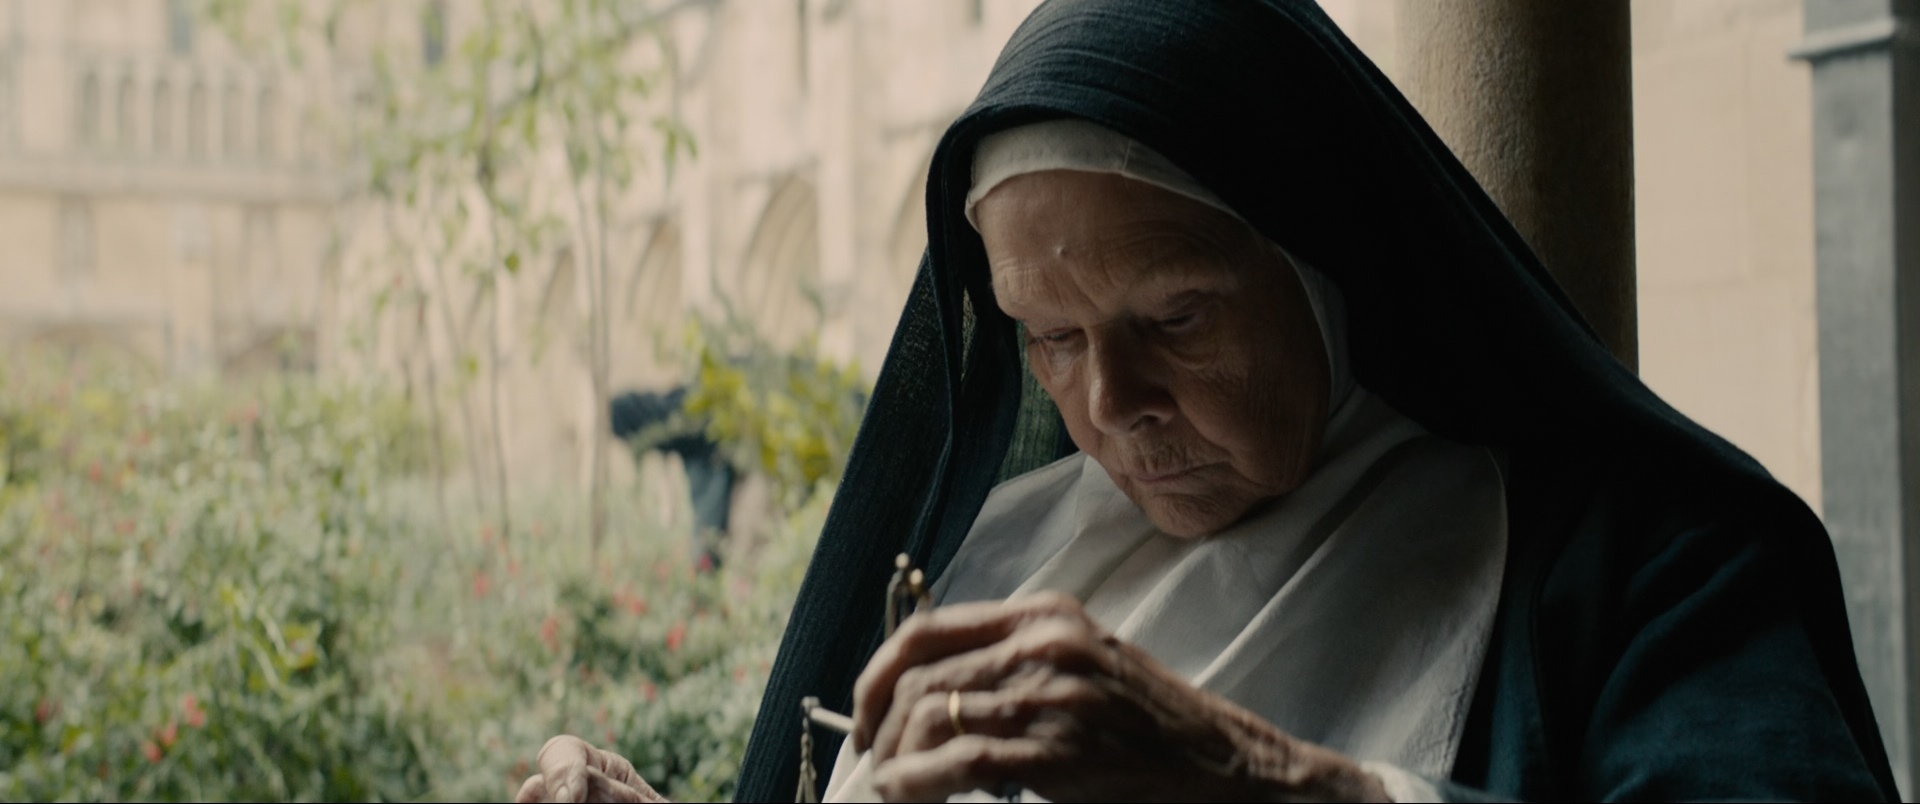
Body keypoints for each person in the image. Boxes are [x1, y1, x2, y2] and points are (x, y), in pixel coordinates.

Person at [516, 1, 1898, 801]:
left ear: (1329, 267)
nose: (1112, 403)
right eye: (1051, 338)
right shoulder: (1004, 552)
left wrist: (1249, 779)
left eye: (1175, 317)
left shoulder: (1650, 568)